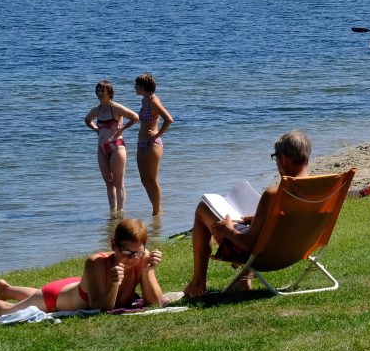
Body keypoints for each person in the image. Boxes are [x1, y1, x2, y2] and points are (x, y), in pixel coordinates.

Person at [183, 129, 311, 298]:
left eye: (276, 158)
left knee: (203, 209)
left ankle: (198, 284)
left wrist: (228, 230)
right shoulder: (321, 188)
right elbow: (292, 221)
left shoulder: (273, 195)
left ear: (284, 158)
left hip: (266, 256)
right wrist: (260, 219)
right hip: (300, 250)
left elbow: (249, 244)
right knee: (244, 220)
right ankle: (243, 280)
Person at [0, 218, 164, 314]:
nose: (133, 259)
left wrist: (147, 271)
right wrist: (113, 284)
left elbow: (156, 302)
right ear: (113, 246)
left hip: (78, 286)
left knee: (35, 296)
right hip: (57, 297)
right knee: (10, 311)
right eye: (127, 253)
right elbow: (101, 308)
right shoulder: (96, 263)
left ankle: (7, 289)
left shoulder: (143, 258)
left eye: (138, 253)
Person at [85, 80, 139, 212]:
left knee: (118, 183)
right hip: (101, 148)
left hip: (117, 147)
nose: (99, 93)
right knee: (109, 183)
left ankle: (120, 213)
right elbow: (87, 120)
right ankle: (112, 212)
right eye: (98, 90)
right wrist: (97, 130)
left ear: (109, 92)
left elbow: (135, 117)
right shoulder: (96, 109)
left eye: (102, 90)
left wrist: (122, 129)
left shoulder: (115, 107)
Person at [134, 72, 174, 216]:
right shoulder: (144, 101)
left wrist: (157, 134)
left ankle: (156, 211)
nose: (134, 87)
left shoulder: (153, 101)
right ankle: (157, 209)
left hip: (152, 144)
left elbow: (169, 119)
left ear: (143, 87)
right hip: (141, 143)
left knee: (152, 179)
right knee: (144, 179)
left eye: (136, 85)